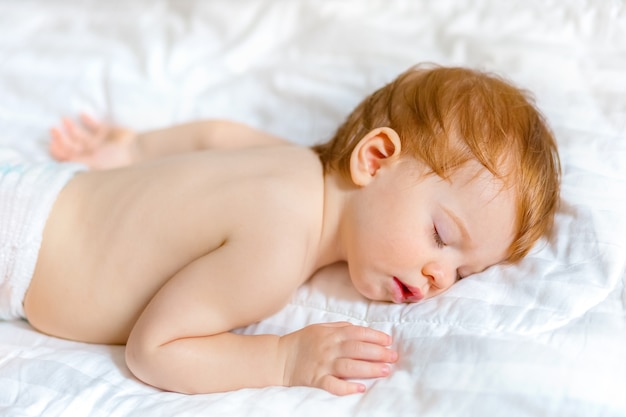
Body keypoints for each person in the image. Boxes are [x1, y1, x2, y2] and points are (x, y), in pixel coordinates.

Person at [0, 64, 560, 396]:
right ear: (376, 157)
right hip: (17, 252)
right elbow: (155, 349)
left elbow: (214, 136)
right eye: (441, 234)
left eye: (465, 271)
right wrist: (284, 360)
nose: (441, 277)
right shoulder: (277, 248)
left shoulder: (291, 162)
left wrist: (130, 149)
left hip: (37, 188)